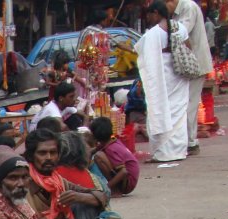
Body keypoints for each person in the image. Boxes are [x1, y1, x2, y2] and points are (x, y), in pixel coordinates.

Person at [25, 128, 108, 219]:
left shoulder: (58, 181)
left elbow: (101, 197)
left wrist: (77, 196)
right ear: (31, 156)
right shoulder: (22, 182)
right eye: (42, 153)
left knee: (84, 206)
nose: (49, 158)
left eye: (53, 153)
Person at [135, 1, 191, 162]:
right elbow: (188, 46)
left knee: (160, 109)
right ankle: (179, 150)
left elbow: (145, 57)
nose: (148, 18)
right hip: (179, 75)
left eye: (149, 14)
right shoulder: (180, 27)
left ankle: (163, 153)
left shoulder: (153, 34)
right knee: (179, 112)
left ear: (156, 13)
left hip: (163, 76)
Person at [167, 0, 213, 156]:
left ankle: (190, 141)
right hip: (188, 65)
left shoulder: (188, 7)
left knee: (189, 104)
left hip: (194, 64)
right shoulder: (180, 11)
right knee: (186, 103)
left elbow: (181, 32)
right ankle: (188, 141)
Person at [90, 116, 140, 195]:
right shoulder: (112, 140)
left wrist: (107, 187)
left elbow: (123, 172)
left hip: (128, 182)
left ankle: (116, 190)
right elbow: (96, 148)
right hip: (130, 179)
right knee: (97, 154)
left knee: (99, 156)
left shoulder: (111, 149)